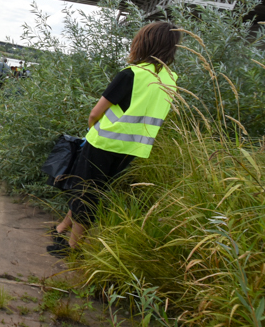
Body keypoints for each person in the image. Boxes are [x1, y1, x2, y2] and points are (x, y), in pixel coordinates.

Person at [51, 22, 180, 255]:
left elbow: (95, 113)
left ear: (144, 43)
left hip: (104, 144)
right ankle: (62, 228)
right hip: (134, 149)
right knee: (92, 189)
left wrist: (92, 132)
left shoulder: (131, 75)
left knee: (86, 192)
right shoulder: (171, 80)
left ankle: (72, 247)